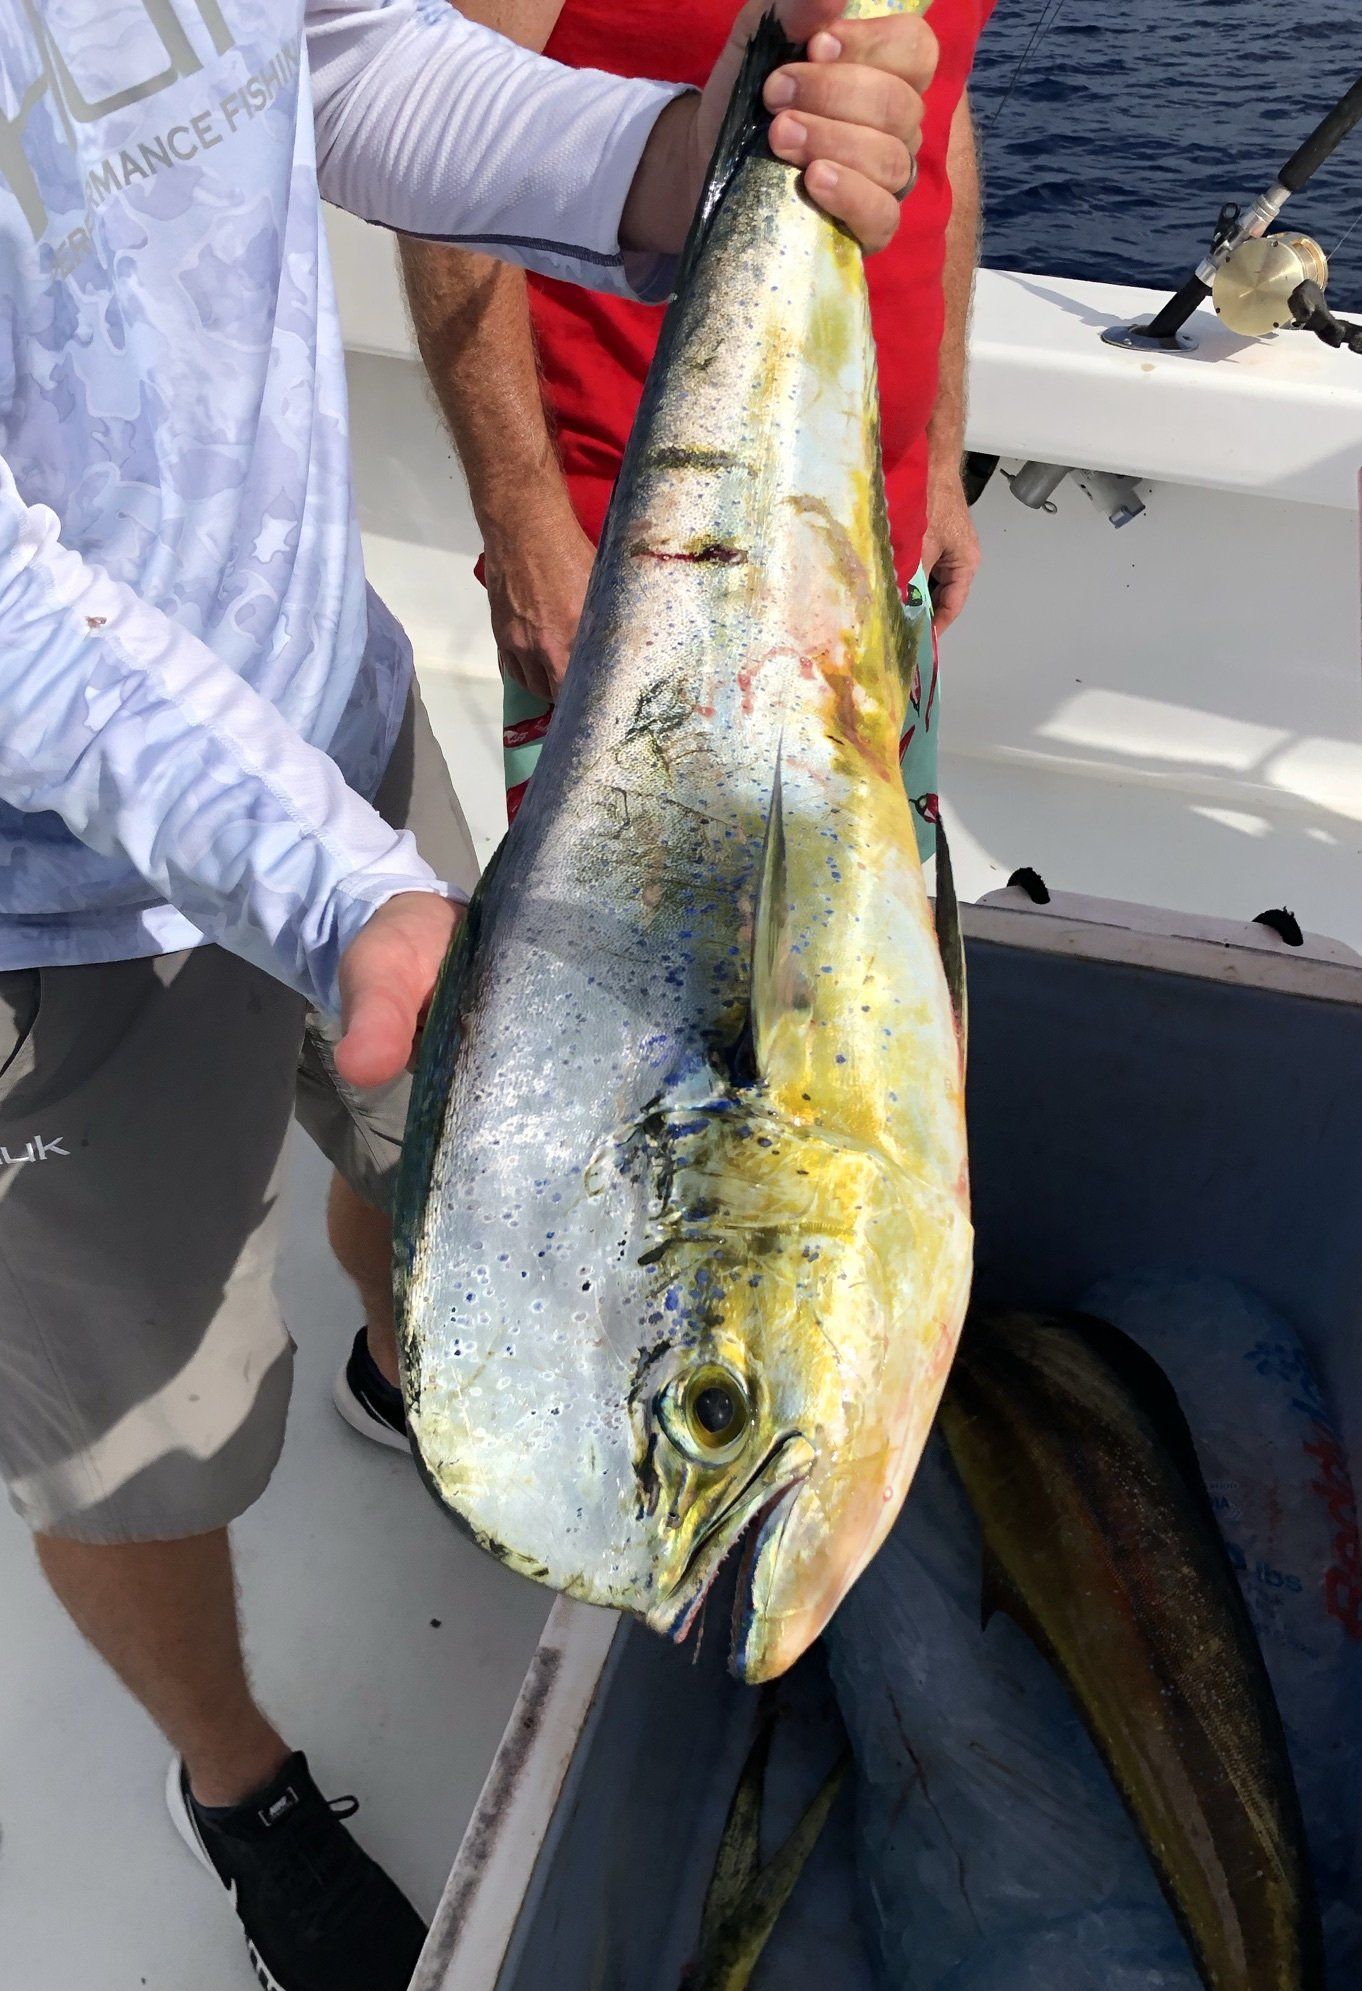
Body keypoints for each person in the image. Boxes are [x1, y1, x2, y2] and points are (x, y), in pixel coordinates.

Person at [0, 1, 935, 1991]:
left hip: (328, 724)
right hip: (2, 904)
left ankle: (409, 1370)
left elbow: (333, 62)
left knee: (423, 1174)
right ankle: (237, 1782)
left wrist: (684, 152)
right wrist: (344, 886)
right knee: (142, 1446)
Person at [330, 0, 993, 1449]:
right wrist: (526, 518)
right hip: (642, 564)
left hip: (850, 549)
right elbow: (441, 175)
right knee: (566, 1033)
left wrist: (938, 444)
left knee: (839, 990)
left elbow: (929, 112)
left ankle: (798, 1349)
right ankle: (422, 1358)